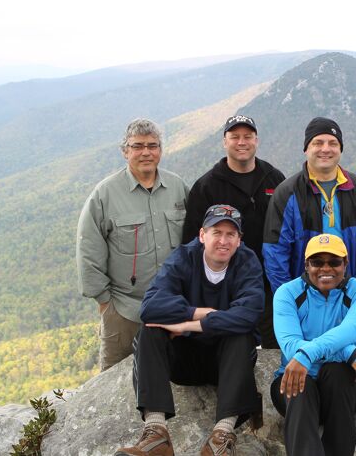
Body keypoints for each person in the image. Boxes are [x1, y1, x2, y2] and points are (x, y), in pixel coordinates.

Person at [115, 204, 264, 456]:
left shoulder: (247, 262)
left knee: (241, 335)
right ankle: (156, 435)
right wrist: (198, 311)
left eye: (231, 234)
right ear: (202, 235)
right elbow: (150, 307)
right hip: (183, 361)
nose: (223, 241)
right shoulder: (184, 257)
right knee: (149, 331)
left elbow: (248, 315)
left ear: (239, 240)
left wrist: (187, 325)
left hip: (225, 365)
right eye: (217, 232)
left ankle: (222, 435)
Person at [76, 118, 189, 371]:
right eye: (137, 146)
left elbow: (195, 241)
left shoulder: (178, 188)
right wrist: (106, 303)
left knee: (172, 380)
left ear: (161, 149)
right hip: (125, 311)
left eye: (152, 145)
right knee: (111, 383)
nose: (146, 152)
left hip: (174, 307)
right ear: (125, 151)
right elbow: (88, 252)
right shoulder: (105, 194)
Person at [183, 114, 285, 348]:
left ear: (256, 141)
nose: (242, 142)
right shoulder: (207, 186)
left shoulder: (274, 178)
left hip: (269, 284)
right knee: (230, 346)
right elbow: (192, 240)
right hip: (224, 285)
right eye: (235, 137)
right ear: (224, 141)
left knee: (271, 350)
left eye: (247, 137)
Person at [271, 234, 356, 456]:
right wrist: (350, 352)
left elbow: (352, 330)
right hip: (295, 387)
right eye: (317, 262)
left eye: (334, 262)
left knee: (338, 372)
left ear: (345, 264)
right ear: (306, 264)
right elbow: (291, 346)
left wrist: (307, 353)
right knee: (300, 382)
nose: (325, 268)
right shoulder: (287, 293)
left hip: (343, 389)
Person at [263, 117, 356, 294]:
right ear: (306, 148)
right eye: (318, 143)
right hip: (304, 294)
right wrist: (290, 297)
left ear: (340, 149)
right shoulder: (287, 193)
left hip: (349, 291)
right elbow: (275, 252)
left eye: (333, 143)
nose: (326, 149)